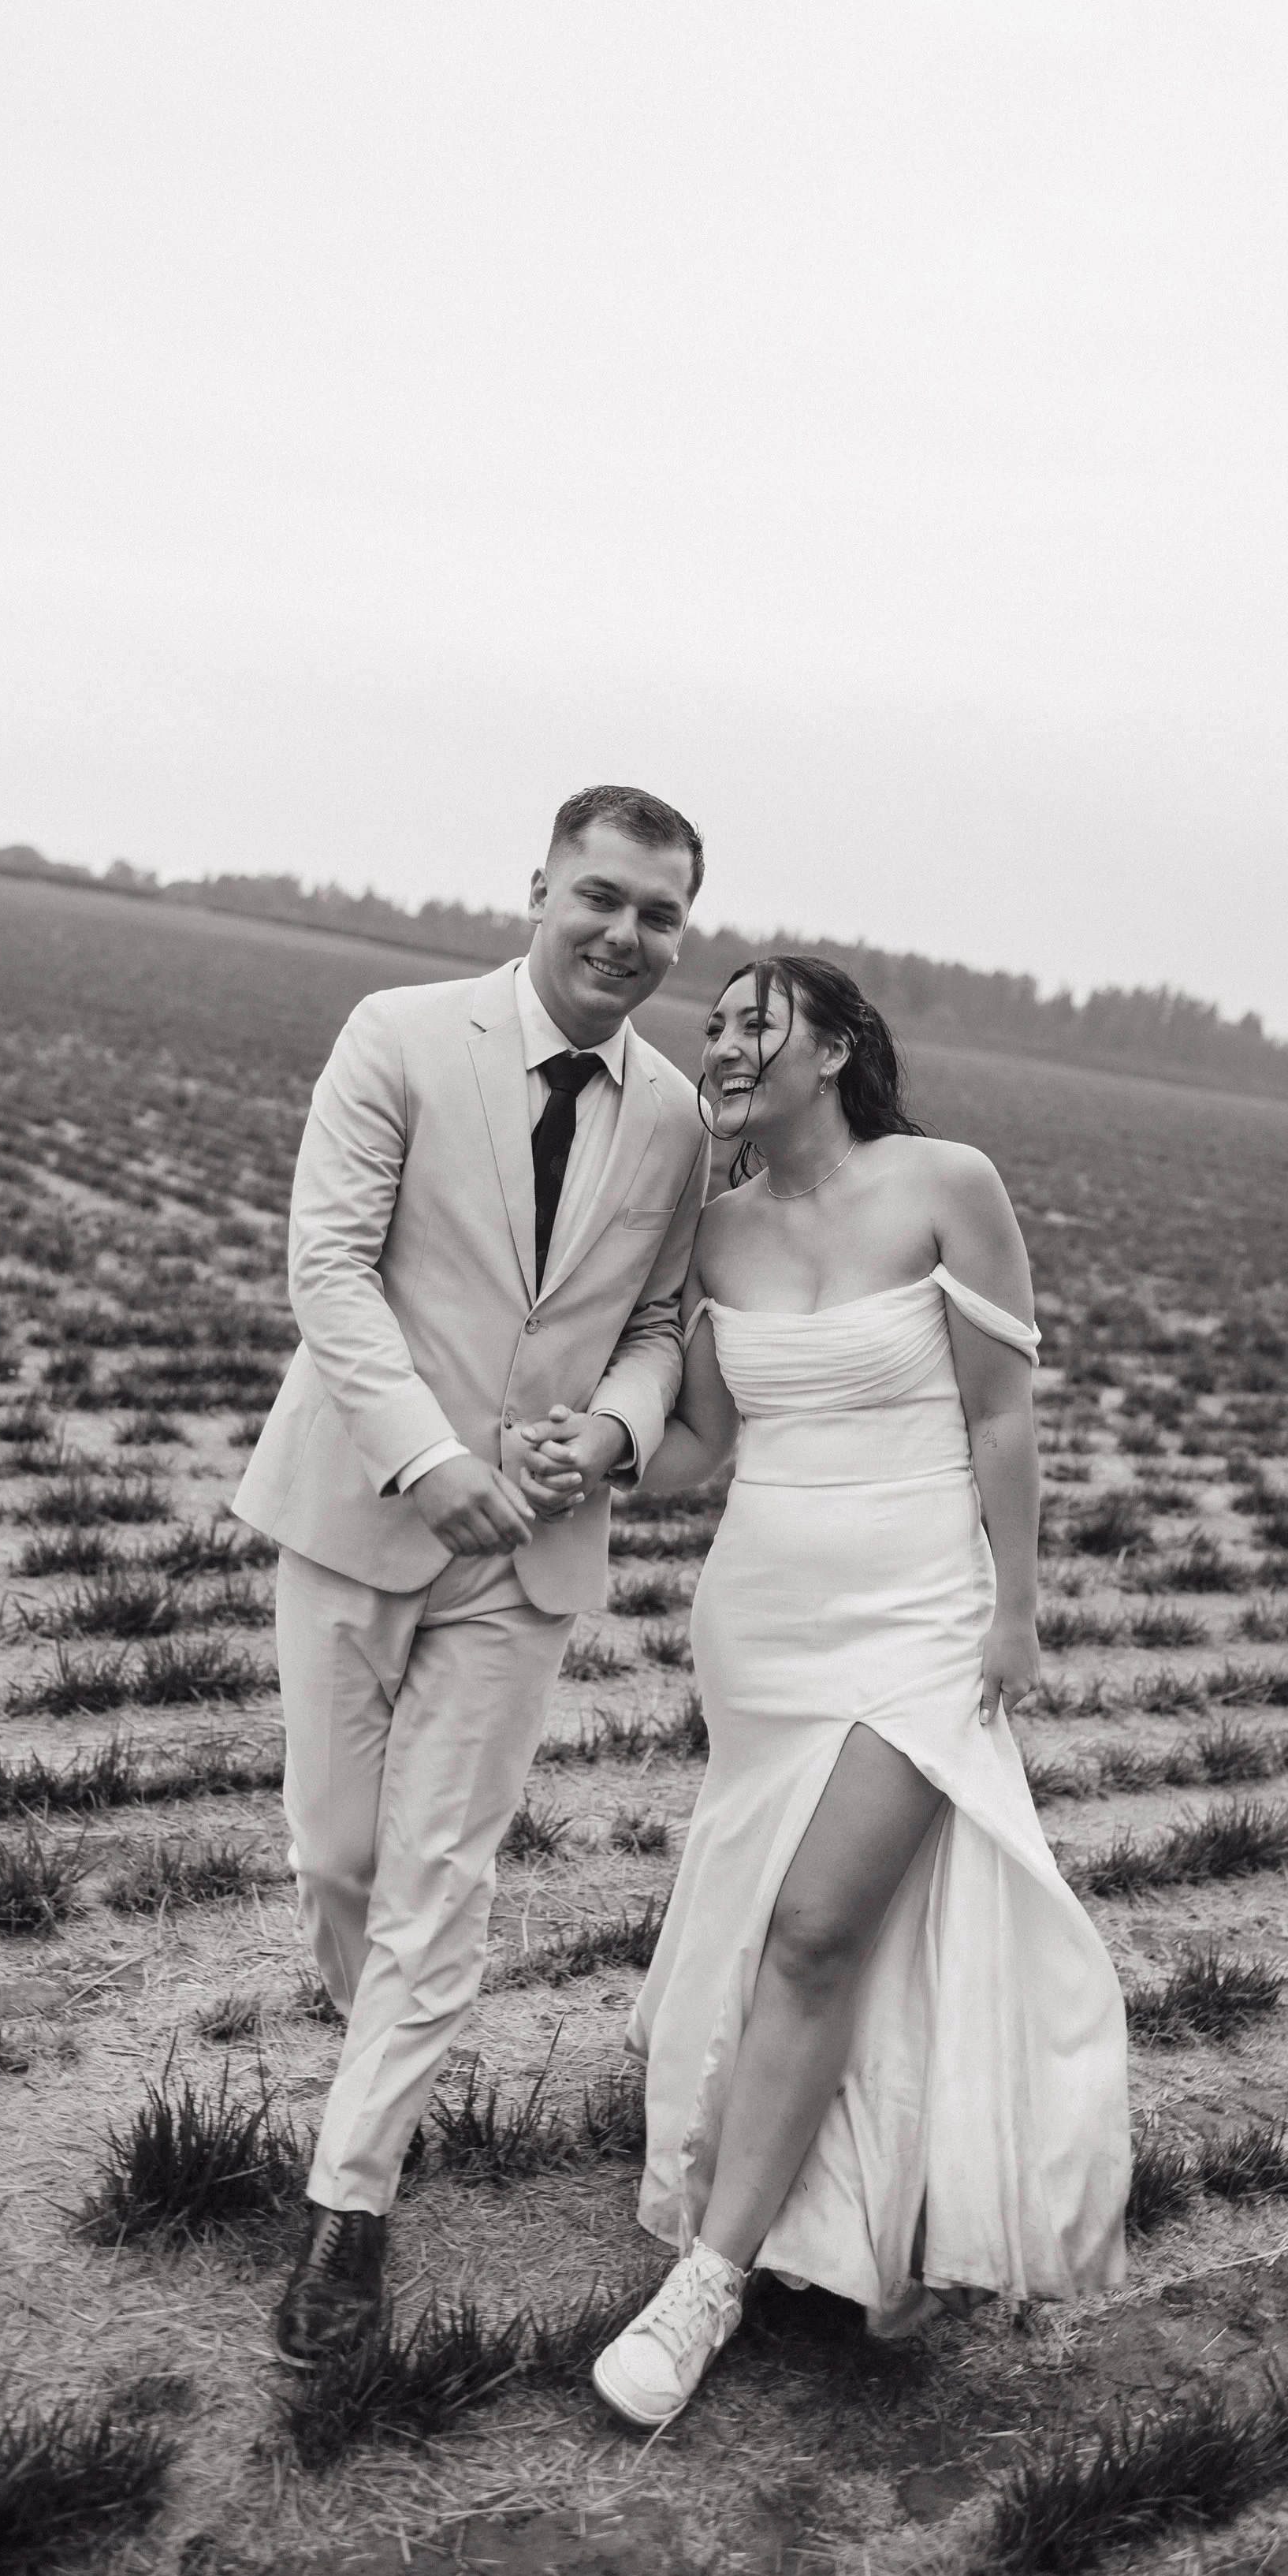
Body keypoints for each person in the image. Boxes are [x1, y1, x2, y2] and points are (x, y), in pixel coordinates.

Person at [571, 956, 1130, 2432]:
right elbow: (705, 1443)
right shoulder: (718, 1230)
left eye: (757, 1022)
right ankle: (870, 2210)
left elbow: (1001, 1414)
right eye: (716, 1026)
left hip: (922, 1615)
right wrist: (591, 1453)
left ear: (836, 1048)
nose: (725, 1044)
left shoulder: (949, 1184)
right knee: (797, 1927)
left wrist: (1016, 1608)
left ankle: (706, 2283)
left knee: (817, 1930)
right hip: (764, 1626)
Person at [233, 786, 709, 2363]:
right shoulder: (397, 1033)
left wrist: (617, 1432)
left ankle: (350, 2204)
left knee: (441, 1876)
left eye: (659, 915)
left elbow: (657, 1322)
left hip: (531, 1553)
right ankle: (383, 2068)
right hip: (361, 1505)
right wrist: (428, 1460)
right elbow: (328, 1270)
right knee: (338, 1858)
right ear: (540, 890)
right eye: (602, 897)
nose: (625, 935)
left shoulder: (677, 1117)